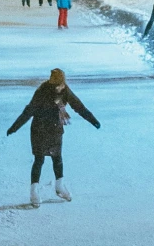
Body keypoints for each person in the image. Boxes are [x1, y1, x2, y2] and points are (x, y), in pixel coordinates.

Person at [7, 66, 100, 204]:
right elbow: (29, 111)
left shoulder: (65, 90)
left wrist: (93, 120)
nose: (59, 88)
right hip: (40, 129)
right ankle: (34, 192)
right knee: (39, 160)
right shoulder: (41, 92)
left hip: (55, 129)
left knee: (57, 158)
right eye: (57, 86)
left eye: (61, 85)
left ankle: (60, 187)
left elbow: (78, 106)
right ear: (51, 83)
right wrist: (15, 127)